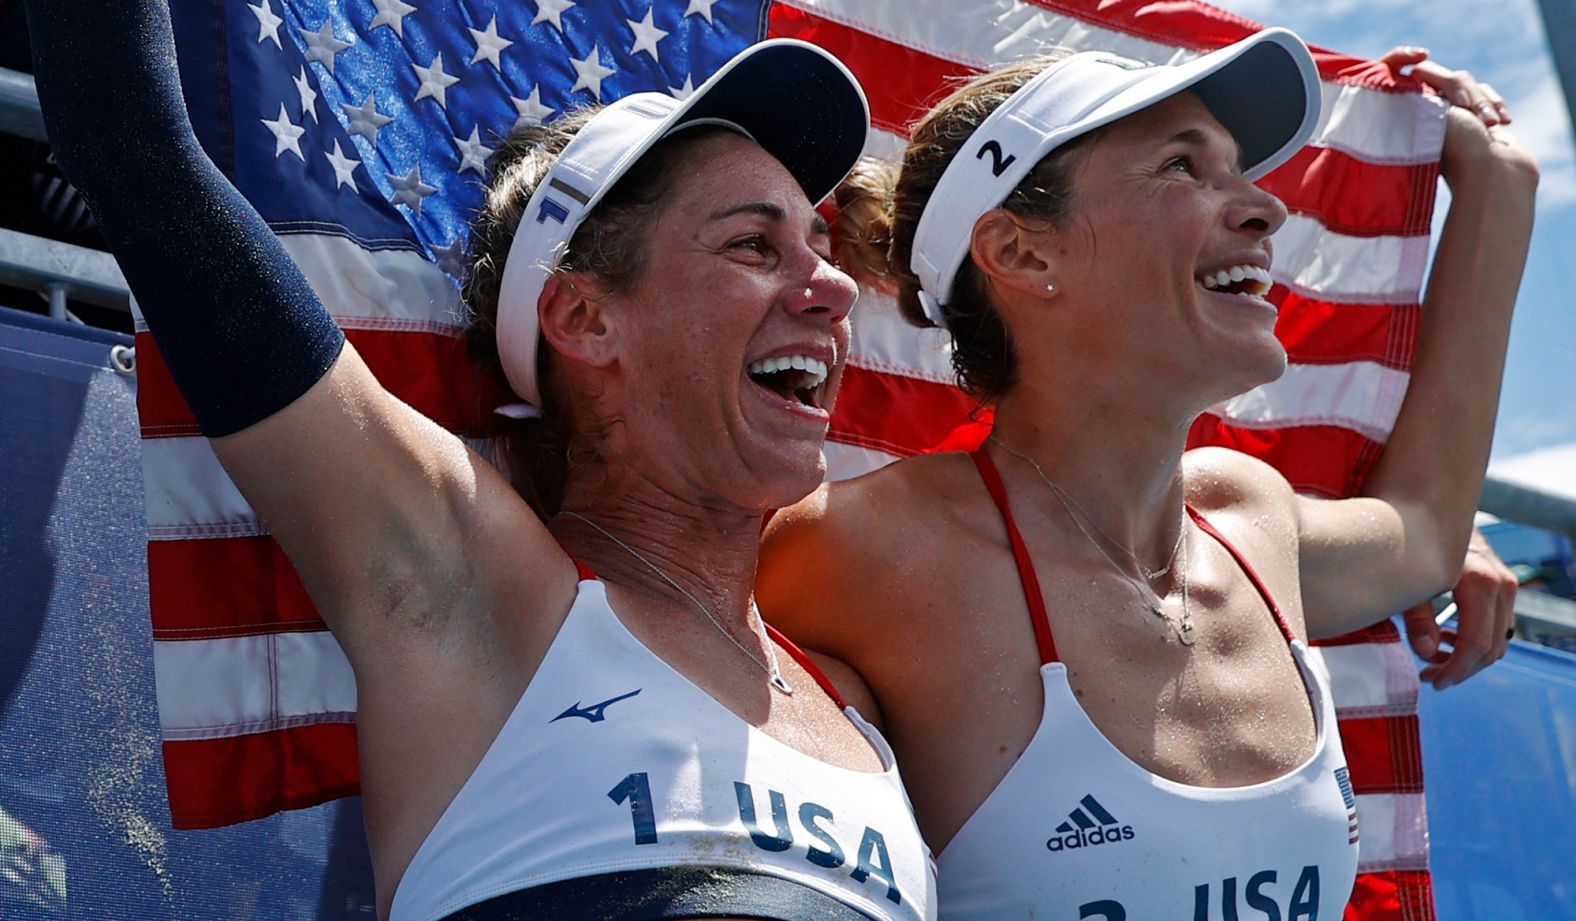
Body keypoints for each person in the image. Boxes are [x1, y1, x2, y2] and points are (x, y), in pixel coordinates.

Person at [24, 1, 939, 919]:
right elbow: (131, 147)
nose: (833, 288)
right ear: (585, 318)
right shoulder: (473, 592)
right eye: (753, 244)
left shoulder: (857, 695)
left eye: (818, 249)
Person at [758, 28, 1536, 919]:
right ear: (1021, 254)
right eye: (1181, 167)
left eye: (1236, 169)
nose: (1264, 208)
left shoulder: (1250, 521)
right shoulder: (858, 552)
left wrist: (1500, 186)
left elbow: (1426, 531)